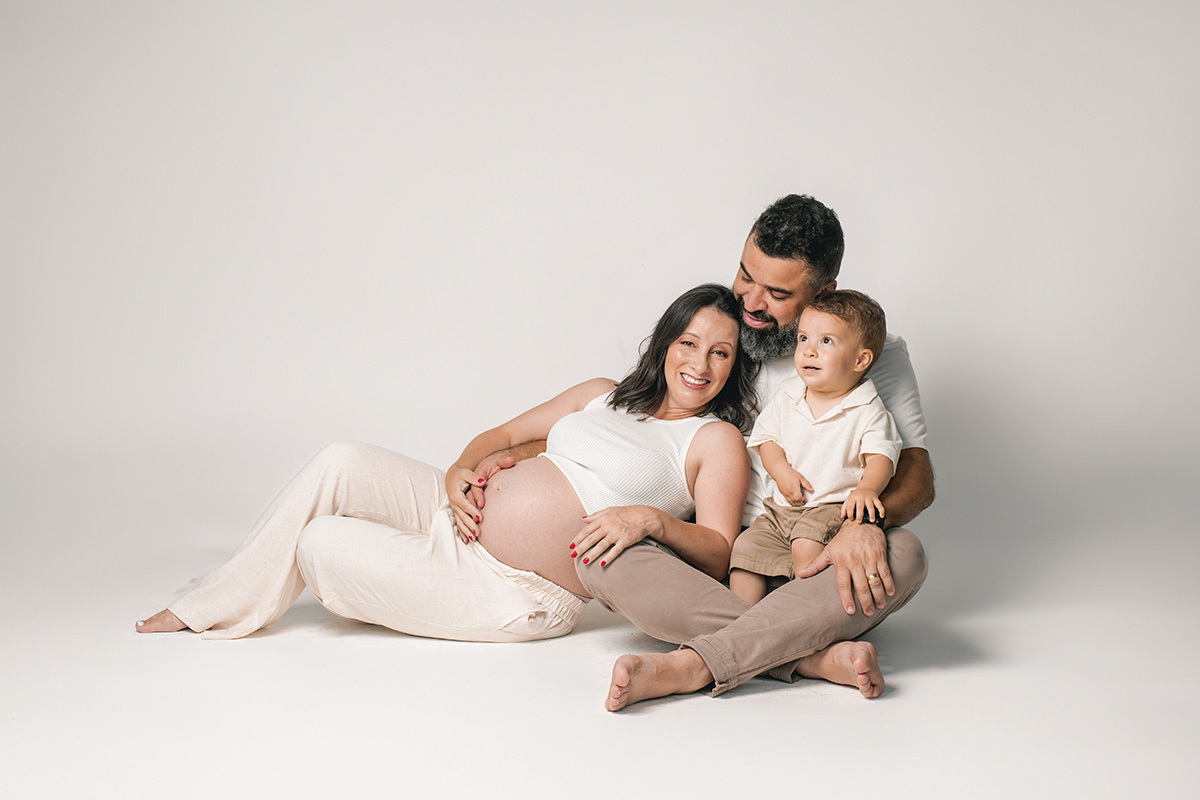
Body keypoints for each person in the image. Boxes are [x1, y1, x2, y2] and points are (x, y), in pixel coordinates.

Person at [135, 284, 755, 642]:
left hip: (515, 588)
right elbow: (503, 433)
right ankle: (210, 602)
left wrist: (650, 520)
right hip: (457, 514)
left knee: (319, 543)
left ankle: (235, 595)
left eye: (720, 353)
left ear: (734, 366)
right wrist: (460, 471)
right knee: (339, 459)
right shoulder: (602, 393)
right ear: (666, 342)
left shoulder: (713, 439)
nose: (699, 364)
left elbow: (718, 551)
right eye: (689, 343)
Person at [570, 194, 934, 710]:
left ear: (824, 292)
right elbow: (640, 412)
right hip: (715, 557)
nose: (752, 301)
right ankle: (806, 657)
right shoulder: (724, 330)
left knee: (906, 554)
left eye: (778, 293)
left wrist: (862, 526)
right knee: (597, 554)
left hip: (817, 553)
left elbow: (917, 477)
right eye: (746, 275)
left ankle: (693, 665)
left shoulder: (870, 352)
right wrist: (523, 448)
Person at [728, 289, 901, 605]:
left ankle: (802, 614)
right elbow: (768, 440)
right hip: (780, 509)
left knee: (806, 545)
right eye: (804, 339)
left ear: (860, 360)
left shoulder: (867, 410)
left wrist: (867, 490)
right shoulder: (789, 394)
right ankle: (742, 621)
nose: (808, 351)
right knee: (745, 551)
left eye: (826, 341)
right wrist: (781, 472)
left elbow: (881, 457)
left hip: (831, 507)